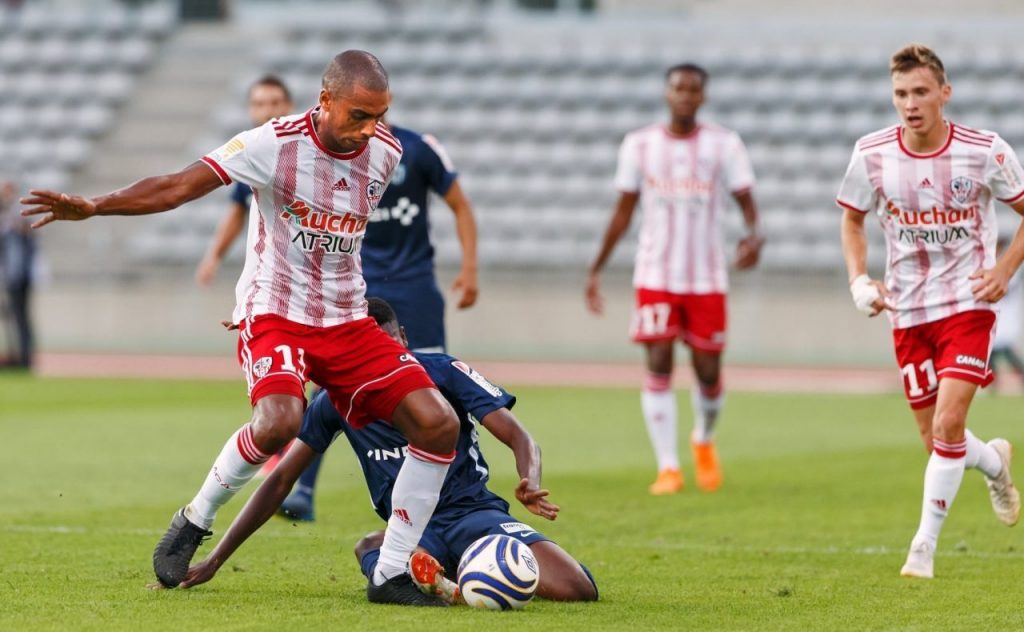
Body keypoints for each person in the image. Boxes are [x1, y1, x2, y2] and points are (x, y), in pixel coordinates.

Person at [21, 50, 463, 606]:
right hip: (277, 313)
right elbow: (178, 186)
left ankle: (392, 572)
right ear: (324, 101)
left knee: (438, 423)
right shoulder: (271, 144)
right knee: (281, 421)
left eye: (380, 116)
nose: (371, 129)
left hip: (347, 320)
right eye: (359, 115)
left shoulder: (386, 153)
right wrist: (96, 204)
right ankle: (194, 517)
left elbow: (336, 245)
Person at [180, 298, 598, 604]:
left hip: (476, 516)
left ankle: (458, 574)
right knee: (368, 545)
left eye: (389, 347)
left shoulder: (442, 372)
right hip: (413, 535)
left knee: (579, 590)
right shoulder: (334, 400)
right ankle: (447, 576)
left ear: (404, 341)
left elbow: (519, 435)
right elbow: (281, 480)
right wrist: (216, 560)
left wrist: (530, 479)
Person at [837, 43, 1022, 579]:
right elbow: (852, 221)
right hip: (908, 309)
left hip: (968, 304)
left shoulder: (984, 150)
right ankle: (995, 465)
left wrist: (1004, 271)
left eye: (920, 92)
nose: (910, 103)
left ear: (945, 93)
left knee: (949, 422)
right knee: (938, 442)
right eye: (900, 94)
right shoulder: (871, 154)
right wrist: (858, 280)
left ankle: (922, 549)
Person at [278, 122, 480, 522]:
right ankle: (302, 490)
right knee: (332, 386)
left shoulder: (418, 147)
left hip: (414, 287)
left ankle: (451, 490)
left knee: (432, 385)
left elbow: (460, 204)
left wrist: (470, 268)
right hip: (357, 287)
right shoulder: (331, 154)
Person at [585, 63, 763, 496]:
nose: (685, 95)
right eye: (678, 88)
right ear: (667, 94)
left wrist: (754, 237)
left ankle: (703, 438)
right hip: (656, 274)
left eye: (693, 90)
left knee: (707, 372)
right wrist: (597, 268)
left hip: (706, 277)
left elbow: (747, 203)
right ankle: (668, 467)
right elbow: (624, 211)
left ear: (702, 97)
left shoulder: (724, 144)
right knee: (659, 363)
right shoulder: (640, 144)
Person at [195, 75, 294, 287]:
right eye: (259, 104)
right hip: (269, 278)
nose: (268, 112)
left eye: (275, 103)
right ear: (250, 109)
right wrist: (214, 256)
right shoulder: (252, 158)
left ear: (289, 106)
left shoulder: (305, 155)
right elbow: (238, 208)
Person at [1, 178, 35, 369]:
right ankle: (16, 356)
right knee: (15, 318)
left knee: (20, 317)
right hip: (10, 274)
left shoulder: (18, 215)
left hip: (18, 276)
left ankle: (23, 359)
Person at [990, 238, 1024, 388]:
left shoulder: (1010, 269)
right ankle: (992, 385)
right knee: (991, 360)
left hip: (1006, 323)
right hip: (994, 322)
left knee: (1008, 357)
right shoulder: (990, 265)